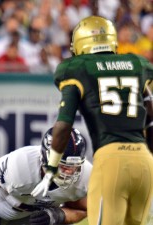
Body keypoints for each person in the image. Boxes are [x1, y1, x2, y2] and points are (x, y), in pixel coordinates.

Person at [31, 16, 153, 225]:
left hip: (112, 160)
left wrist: (51, 168)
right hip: (144, 161)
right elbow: (150, 116)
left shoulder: (77, 68)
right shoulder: (137, 63)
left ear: (80, 43)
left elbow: (63, 125)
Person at [0, 127, 92, 225]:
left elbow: (83, 210)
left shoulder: (84, 177)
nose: (69, 172)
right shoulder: (21, 166)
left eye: (75, 166)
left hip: (26, 218)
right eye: (64, 165)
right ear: (47, 159)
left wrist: (58, 215)